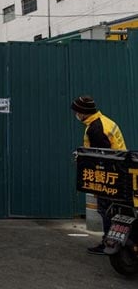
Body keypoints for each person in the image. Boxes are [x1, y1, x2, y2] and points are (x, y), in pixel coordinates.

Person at [71, 95, 127, 255]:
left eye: (77, 112)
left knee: (106, 209)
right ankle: (116, 242)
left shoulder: (95, 128)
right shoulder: (104, 121)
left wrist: (82, 159)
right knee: (114, 209)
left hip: (111, 175)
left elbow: (101, 157)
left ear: (83, 112)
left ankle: (109, 243)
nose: (76, 115)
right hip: (120, 170)